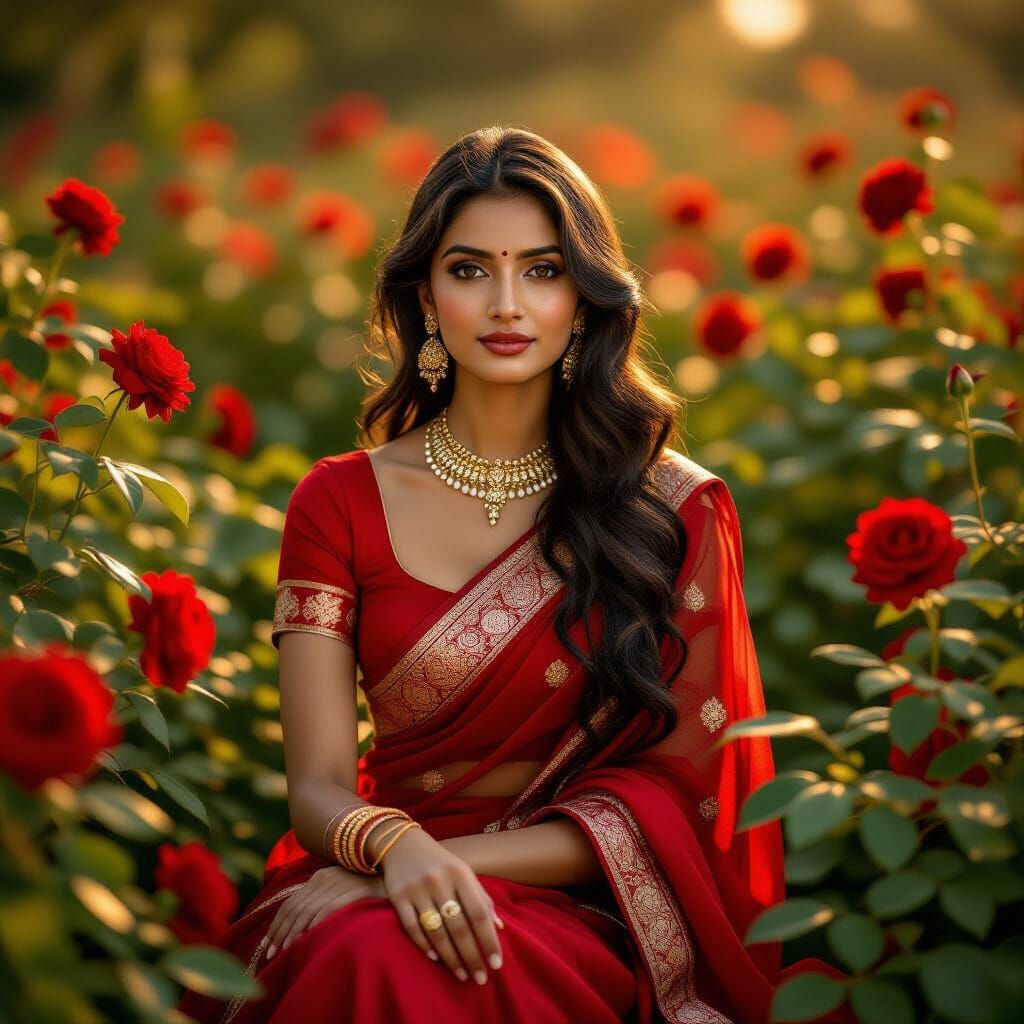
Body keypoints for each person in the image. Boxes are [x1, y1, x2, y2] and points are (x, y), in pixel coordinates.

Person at [177, 125, 787, 1024]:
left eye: (542, 271)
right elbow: (316, 786)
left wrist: (422, 866)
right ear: (425, 294)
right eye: (470, 270)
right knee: (362, 950)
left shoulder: (667, 510)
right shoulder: (338, 501)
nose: (507, 304)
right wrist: (394, 850)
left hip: (576, 903)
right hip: (370, 867)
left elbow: (679, 795)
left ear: (583, 297)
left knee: (393, 951)